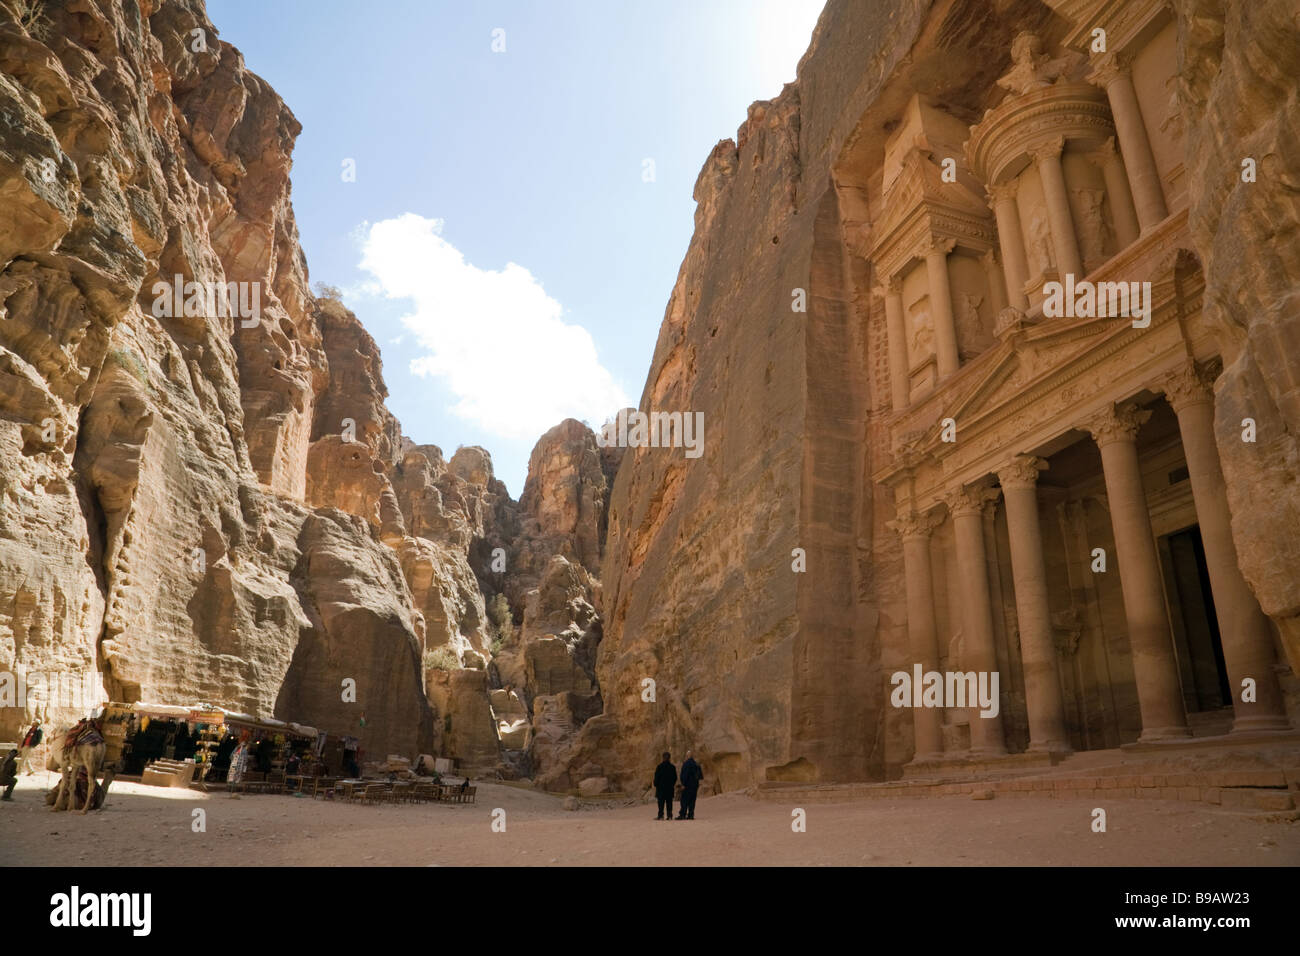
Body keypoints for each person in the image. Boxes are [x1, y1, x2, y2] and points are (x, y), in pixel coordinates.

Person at [678, 750, 702, 820]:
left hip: (687, 785)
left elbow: (685, 775)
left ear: (687, 756)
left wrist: (683, 784)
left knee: (684, 800)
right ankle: (691, 815)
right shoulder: (696, 764)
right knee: (692, 801)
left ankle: (683, 814)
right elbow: (700, 775)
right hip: (695, 785)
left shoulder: (686, 764)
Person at [652, 751, 676, 821]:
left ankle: (661, 815)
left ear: (663, 758)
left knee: (661, 803)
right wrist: (671, 784)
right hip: (669, 788)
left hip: (661, 789)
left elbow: (656, 777)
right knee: (669, 802)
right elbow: (675, 778)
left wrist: (656, 784)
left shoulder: (659, 767)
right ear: (669, 758)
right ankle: (669, 815)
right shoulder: (672, 767)